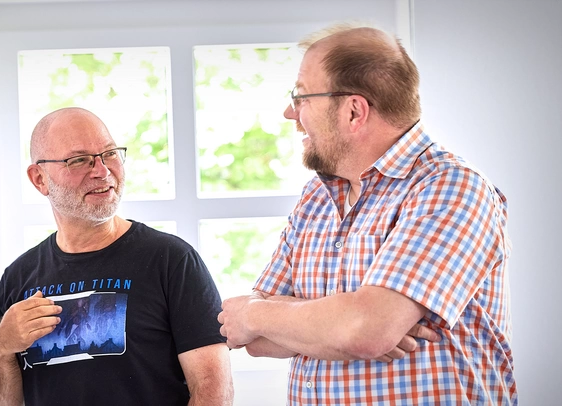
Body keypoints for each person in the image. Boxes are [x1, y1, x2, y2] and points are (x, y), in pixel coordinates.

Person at [218, 24, 515, 405]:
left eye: (302, 96)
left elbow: (364, 331)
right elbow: (255, 341)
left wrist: (259, 313)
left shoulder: (450, 187)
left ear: (354, 111)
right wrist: (338, 323)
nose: (289, 112)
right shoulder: (317, 198)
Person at [0, 107, 233, 405]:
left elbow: (214, 391)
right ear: (40, 179)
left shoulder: (172, 260)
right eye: (79, 160)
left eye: (109, 154)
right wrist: (1, 348)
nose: (102, 171)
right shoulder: (19, 277)